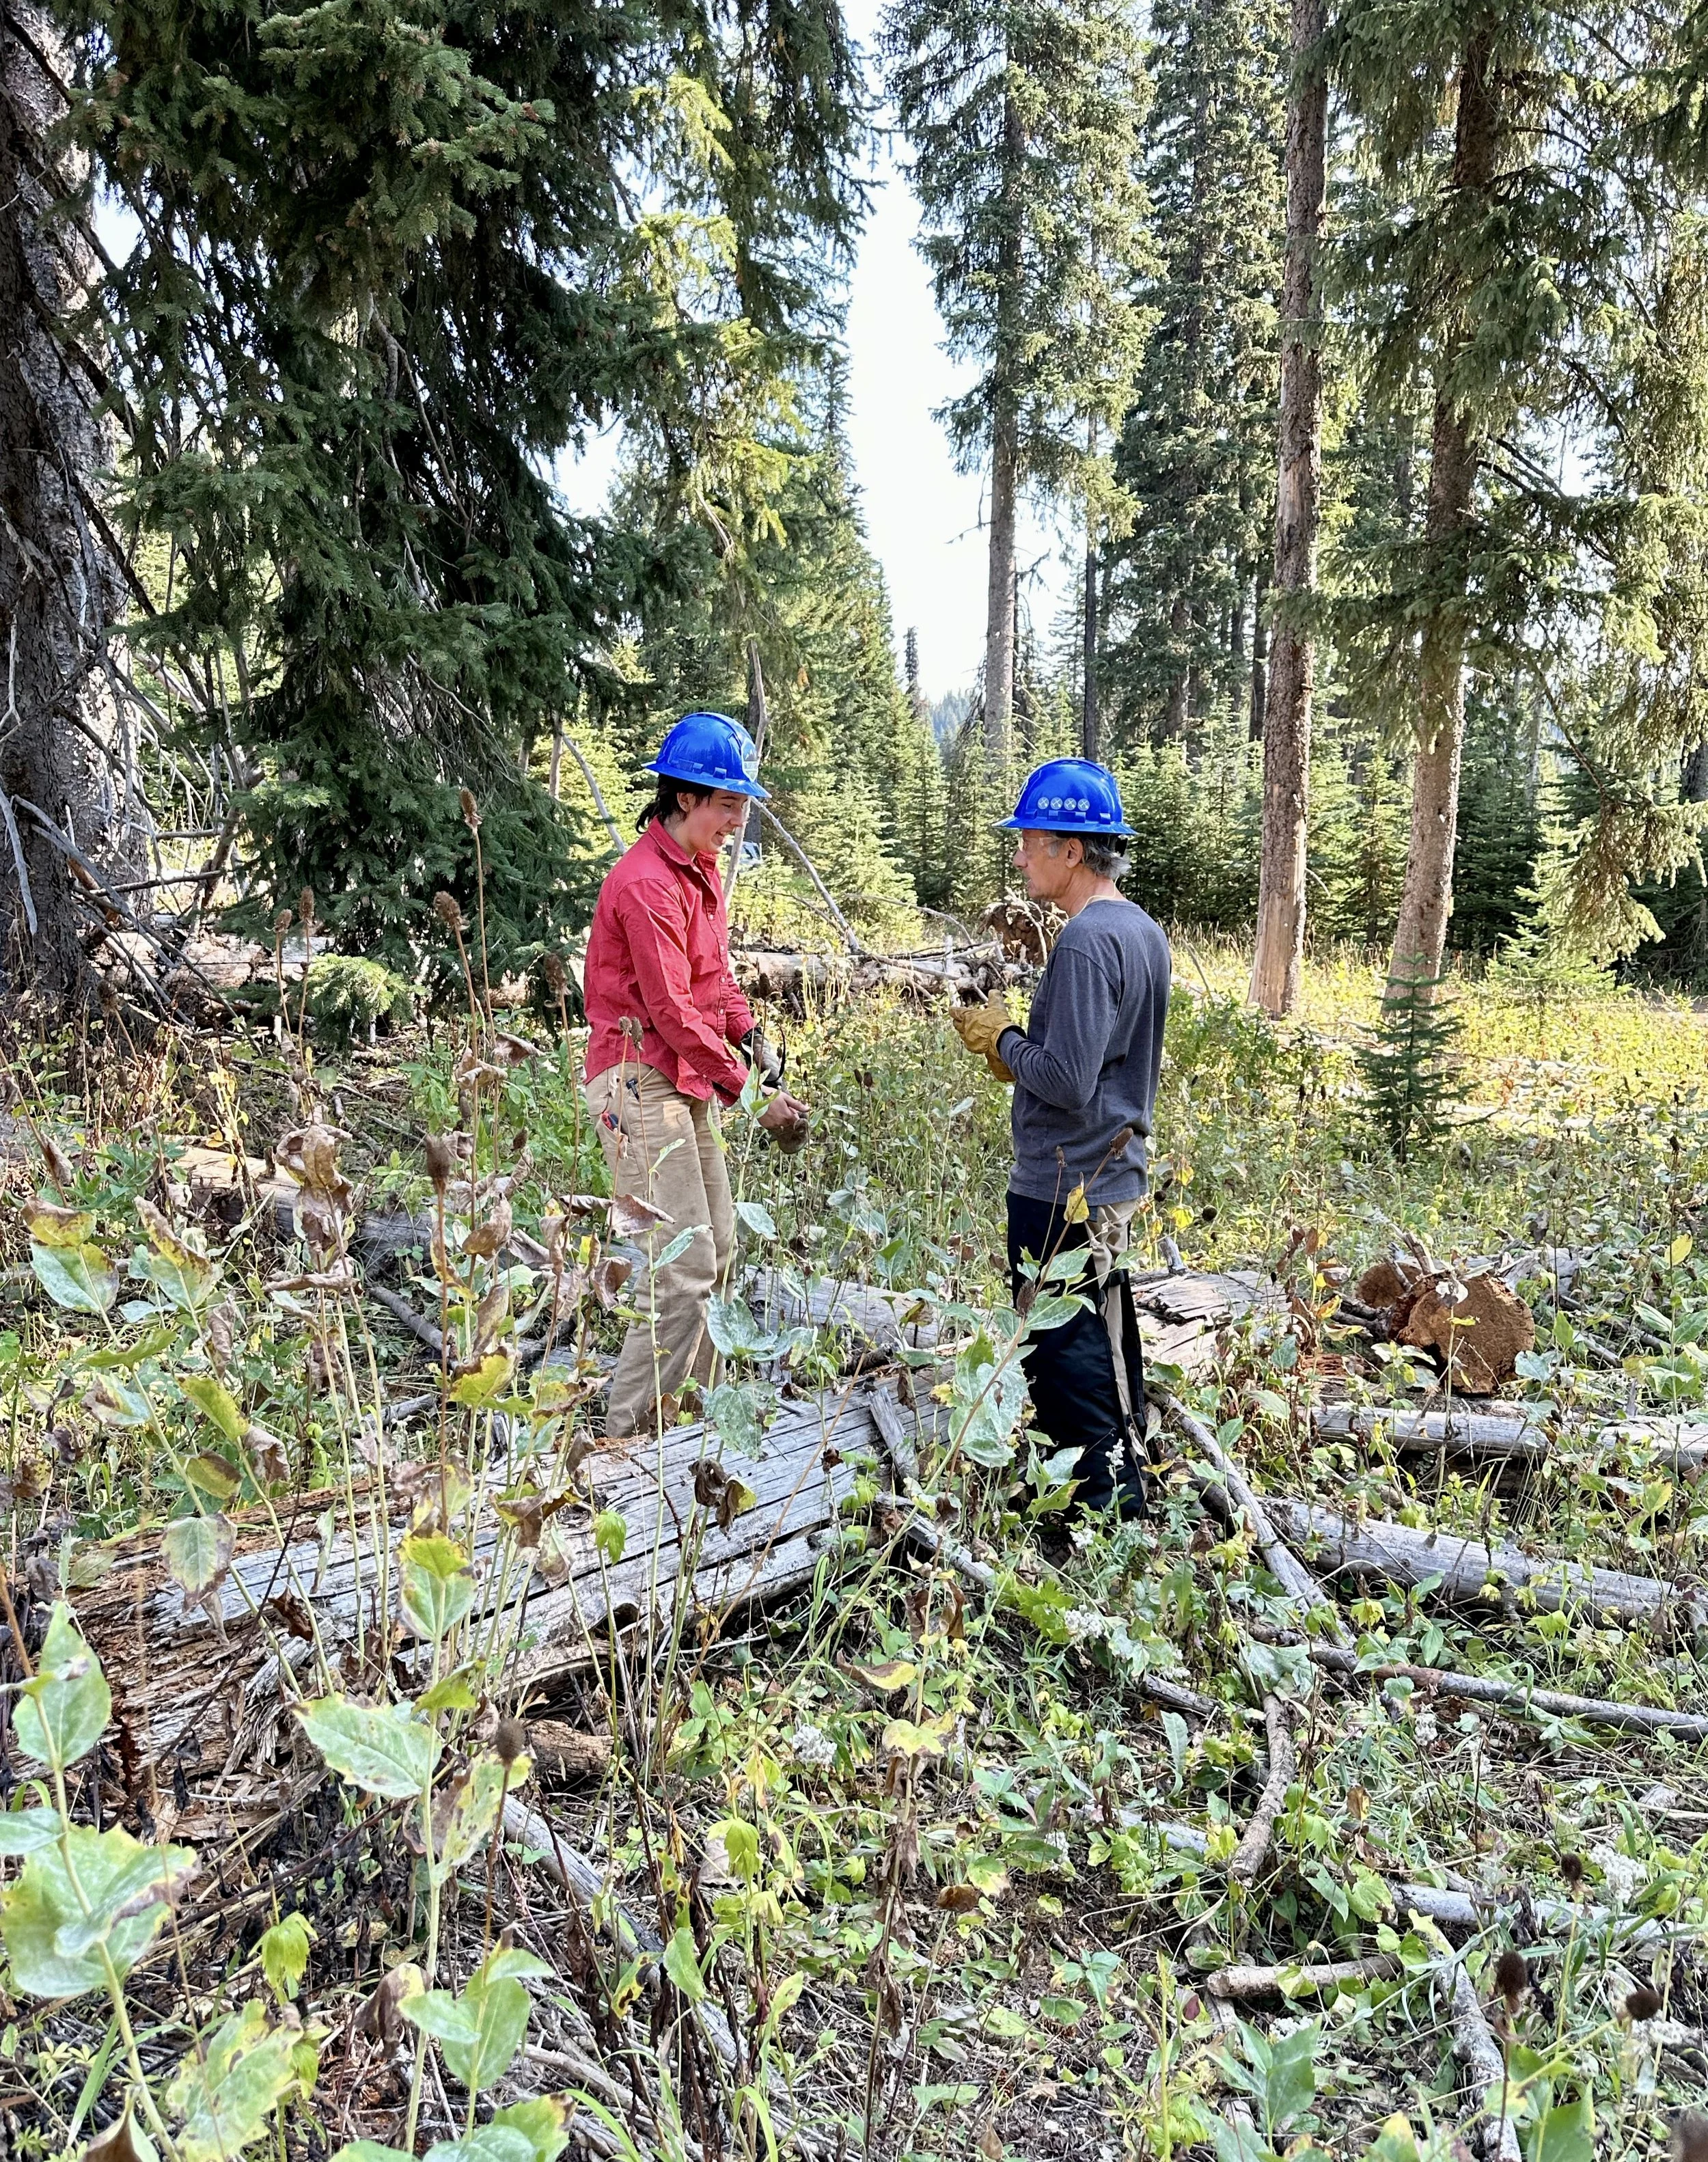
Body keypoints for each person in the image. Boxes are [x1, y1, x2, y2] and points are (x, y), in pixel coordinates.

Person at [949, 758, 1170, 1516]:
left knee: (1063, 1347)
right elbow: (1099, 1064)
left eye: (1031, 841)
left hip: (1064, 1180)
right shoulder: (1139, 929)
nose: (1019, 855)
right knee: (1102, 1328)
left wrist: (1002, 1038)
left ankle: (1102, 1509)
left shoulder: (1082, 942)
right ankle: (1117, 1475)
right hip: (1109, 1171)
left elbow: (1069, 1080)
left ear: (1072, 851)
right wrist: (1022, 1051)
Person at [583, 711, 810, 1441]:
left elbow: (714, 984)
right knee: (675, 1269)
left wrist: (751, 1036)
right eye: (729, 804)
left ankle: (685, 1429)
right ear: (684, 798)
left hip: (679, 1078)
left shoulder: (699, 872)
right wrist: (749, 1096)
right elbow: (672, 1011)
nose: (739, 821)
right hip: (634, 1083)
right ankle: (625, 1443)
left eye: (743, 805)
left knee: (717, 1246)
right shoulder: (647, 884)